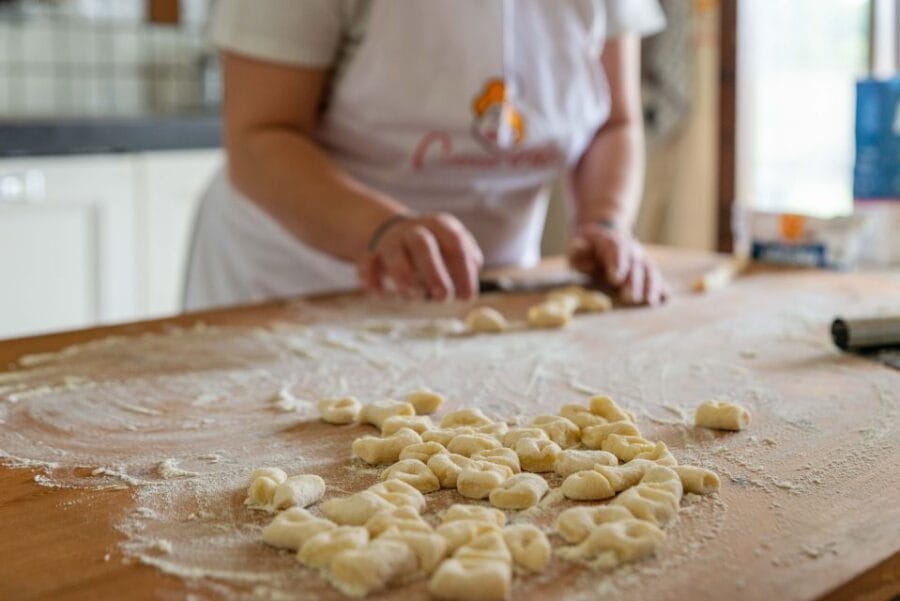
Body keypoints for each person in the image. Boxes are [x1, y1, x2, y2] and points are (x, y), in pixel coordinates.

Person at [184, 0, 670, 310]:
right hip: (298, 278)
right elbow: (260, 137)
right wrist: (382, 229)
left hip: (496, 283)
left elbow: (614, 124)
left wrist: (605, 221)